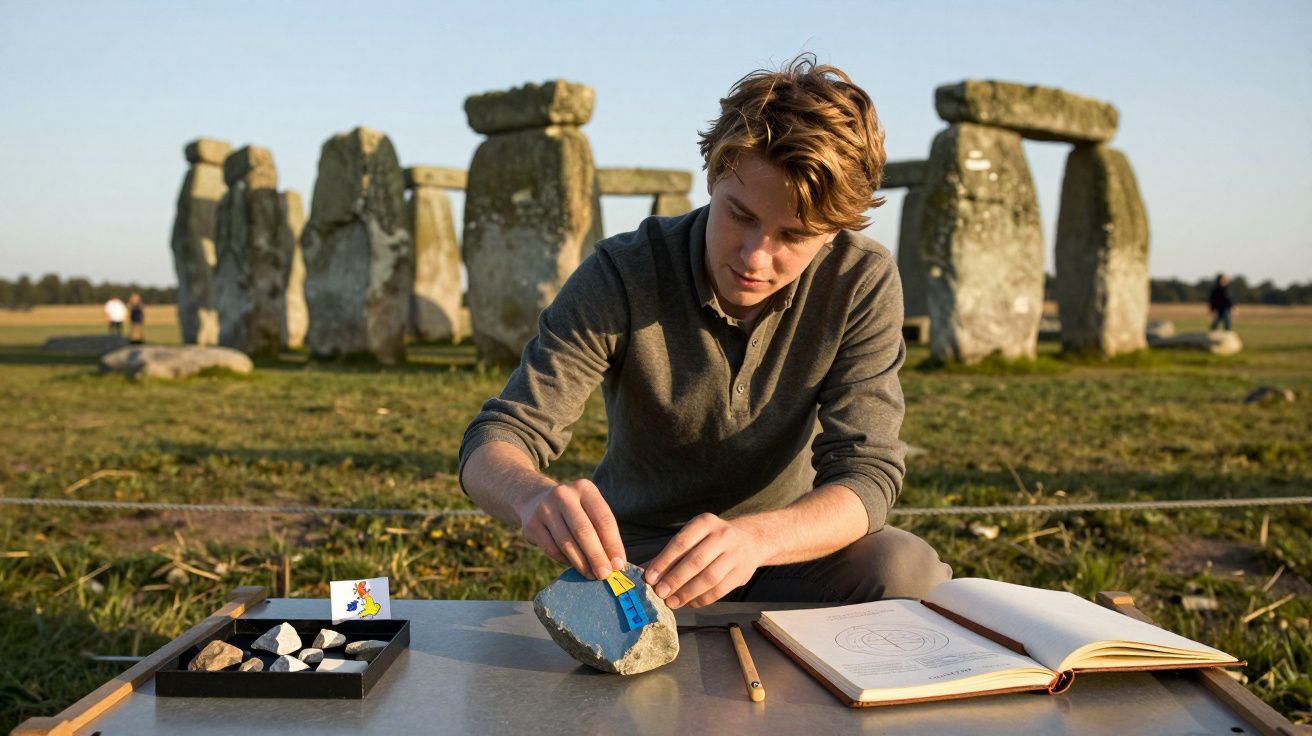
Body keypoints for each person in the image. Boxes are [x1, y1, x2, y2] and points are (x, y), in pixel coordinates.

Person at [459, 55, 951, 610]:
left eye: (792, 234)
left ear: (834, 231)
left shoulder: (860, 278)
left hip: (785, 551)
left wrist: (754, 540)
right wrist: (532, 497)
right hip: (641, 563)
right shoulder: (622, 272)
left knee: (908, 569)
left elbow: (867, 477)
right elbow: (493, 442)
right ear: (714, 175)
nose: (754, 257)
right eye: (739, 215)